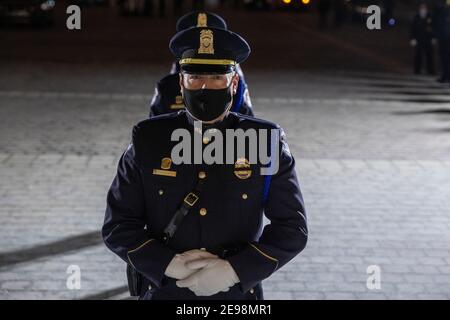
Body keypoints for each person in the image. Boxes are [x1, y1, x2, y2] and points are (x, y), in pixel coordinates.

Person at [102, 26, 308, 300]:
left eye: (216, 78)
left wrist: (234, 271)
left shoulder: (264, 141)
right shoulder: (148, 140)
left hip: (235, 295)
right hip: (165, 290)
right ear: (181, 83)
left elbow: (292, 228)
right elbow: (118, 224)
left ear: (234, 84)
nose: (204, 87)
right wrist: (167, 264)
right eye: (195, 77)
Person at [149, 11, 254, 117]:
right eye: (195, 76)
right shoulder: (167, 87)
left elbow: (247, 125)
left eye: (216, 77)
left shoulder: (236, 86)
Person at [410, 2, 435, 75]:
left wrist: (433, 37)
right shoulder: (416, 17)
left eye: (424, 8)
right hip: (419, 39)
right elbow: (412, 29)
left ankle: (430, 70)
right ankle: (417, 70)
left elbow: (433, 27)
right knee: (418, 56)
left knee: (430, 56)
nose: (423, 9)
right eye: (421, 8)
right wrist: (412, 38)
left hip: (428, 39)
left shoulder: (430, 17)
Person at [433, 0, 450, 83]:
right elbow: (437, 20)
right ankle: (445, 75)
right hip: (442, 35)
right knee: (443, 56)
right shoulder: (440, 8)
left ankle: (447, 76)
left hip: (447, 36)